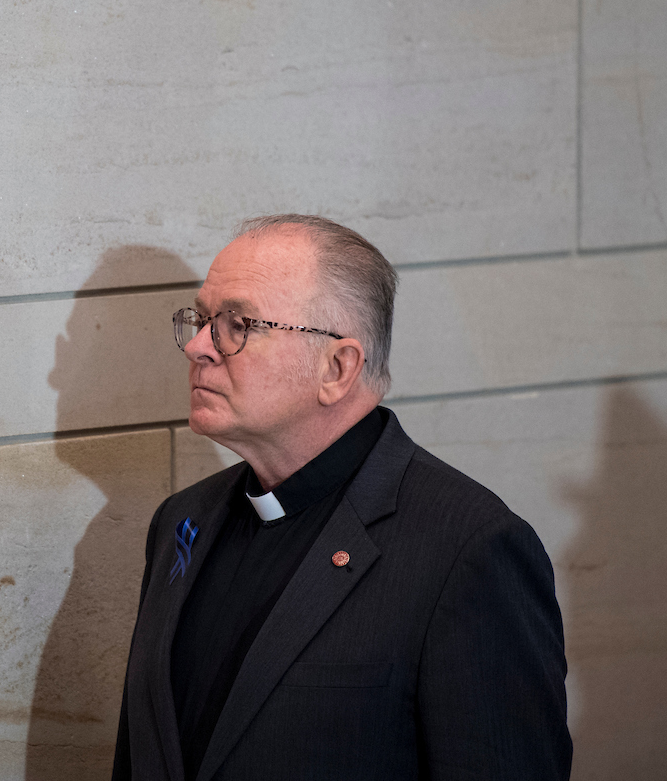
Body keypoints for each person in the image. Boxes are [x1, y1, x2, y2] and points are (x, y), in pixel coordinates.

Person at [111, 215, 572, 781]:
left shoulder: (467, 552)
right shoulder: (182, 523)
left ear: (337, 367)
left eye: (236, 324)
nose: (200, 348)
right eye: (203, 320)